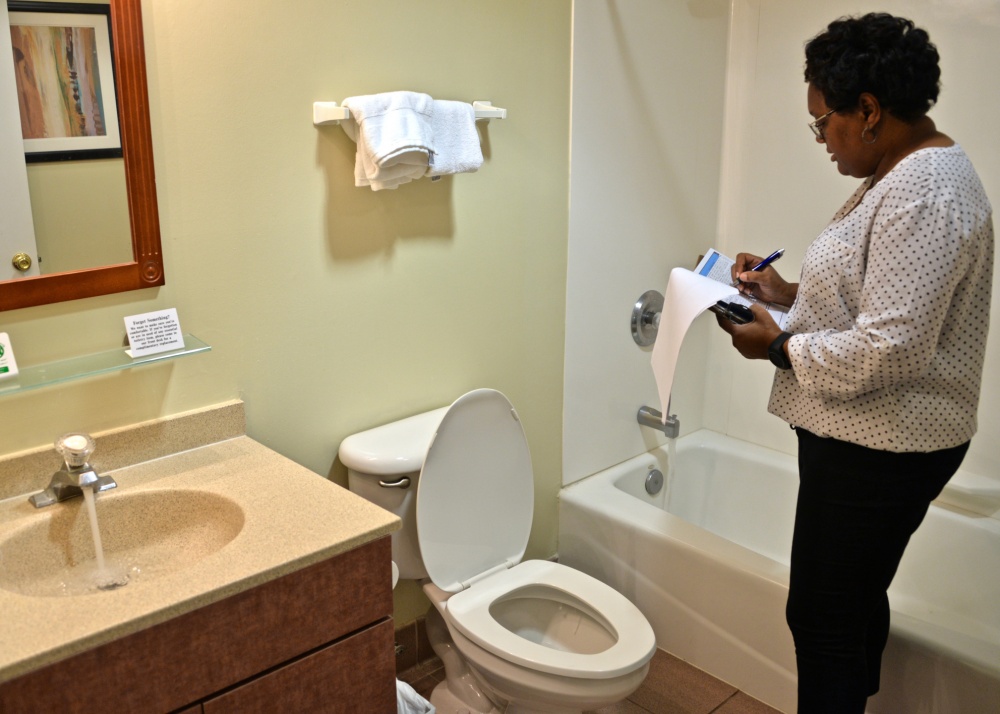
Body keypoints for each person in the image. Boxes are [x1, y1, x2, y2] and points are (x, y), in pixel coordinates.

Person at [715, 13, 994, 714]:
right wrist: (785, 293)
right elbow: (886, 299)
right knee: (851, 603)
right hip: (881, 438)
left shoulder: (923, 190)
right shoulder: (906, 172)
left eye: (823, 123)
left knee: (823, 619)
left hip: (883, 446)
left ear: (868, 111)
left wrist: (776, 344)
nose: (821, 141)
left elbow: (892, 350)